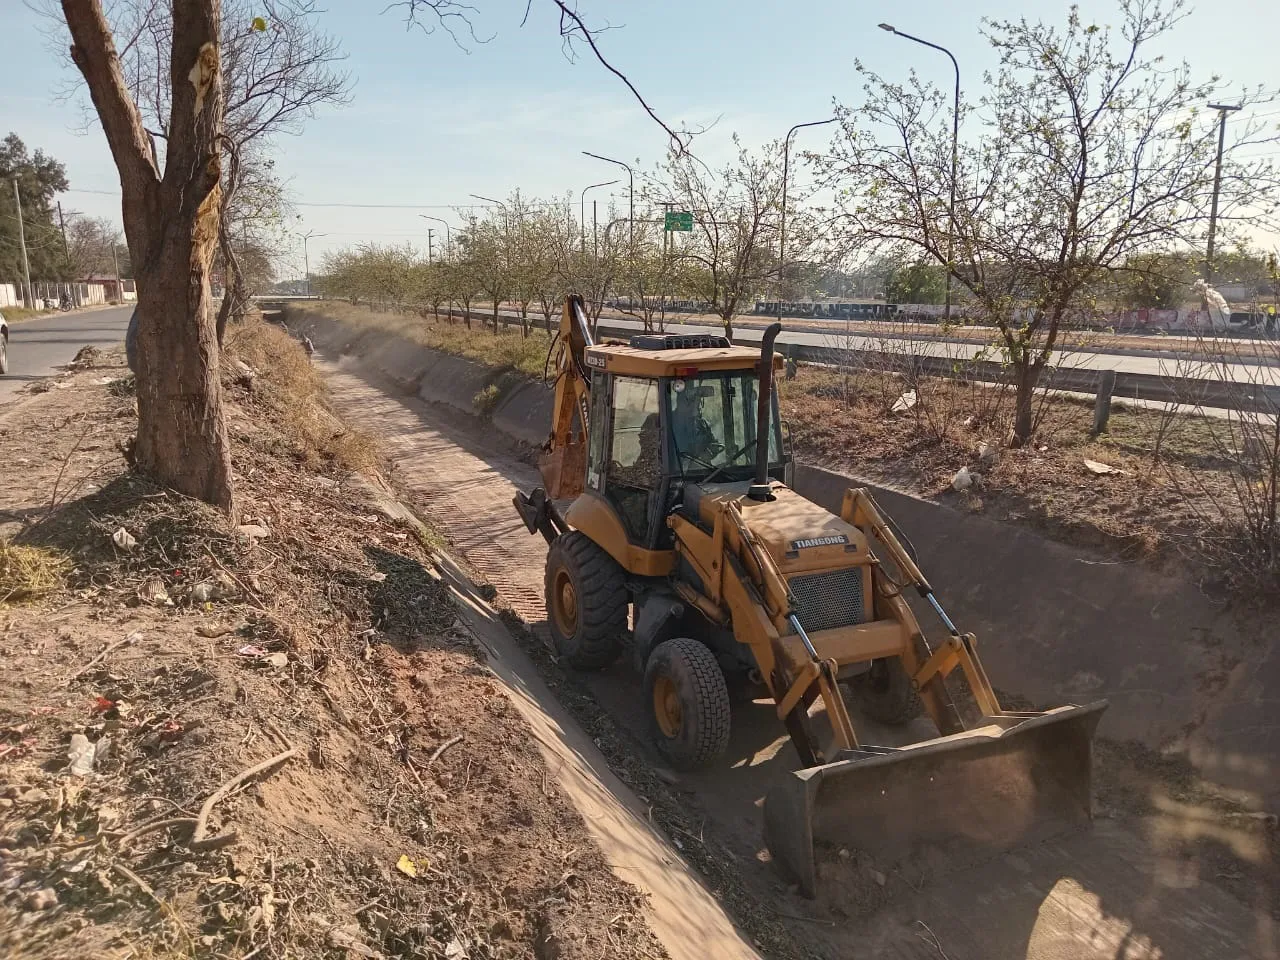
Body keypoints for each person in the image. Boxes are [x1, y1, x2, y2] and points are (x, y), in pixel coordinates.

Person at [671, 383, 718, 464]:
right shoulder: (667, 421)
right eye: (695, 401)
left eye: (699, 401)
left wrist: (709, 452)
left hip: (703, 471)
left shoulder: (702, 424)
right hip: (679, 472)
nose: (698, 405)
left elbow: (714, 445)